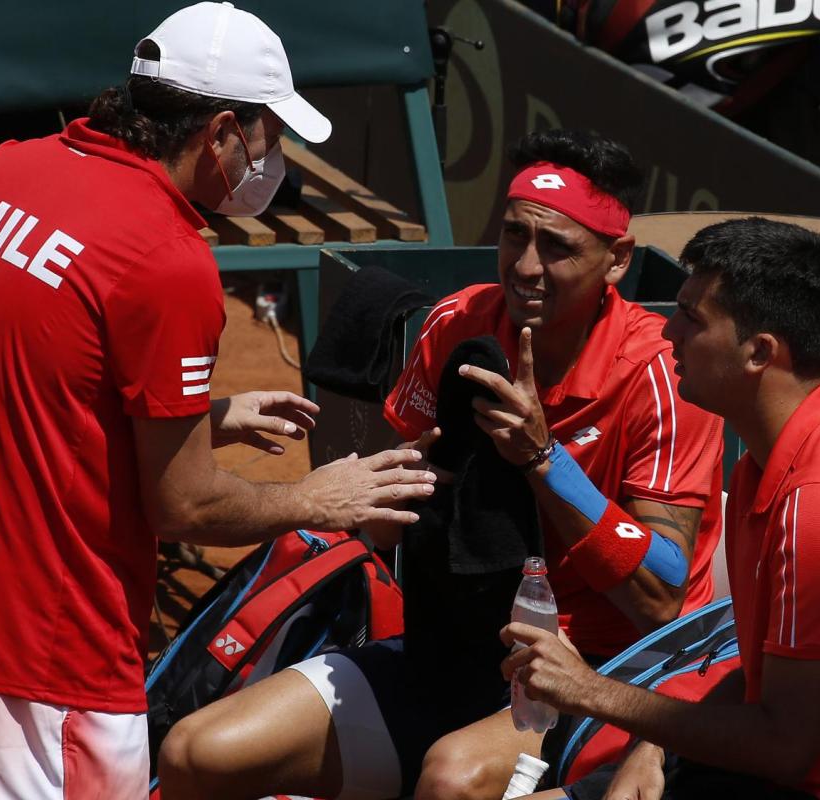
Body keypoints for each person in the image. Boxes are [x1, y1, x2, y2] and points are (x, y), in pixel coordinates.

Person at [0, 3, 435, 796]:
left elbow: (27, 384)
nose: (274, 160)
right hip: (45, 653)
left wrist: (202, 419)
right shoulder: (165, 258)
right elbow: (187, 507)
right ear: (223, 131)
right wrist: (316, 498)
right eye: (271, 135)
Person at [157, 129, 727, 800]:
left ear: (617, 259)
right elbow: (385, 533)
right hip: (459, 650)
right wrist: (403, 494)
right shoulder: (457, 323)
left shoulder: (661, 373)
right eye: (514, 235)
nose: (526, 266)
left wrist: (543, 461)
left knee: (451, 777)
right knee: (195, 753)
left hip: (598, 672)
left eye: (557, 247)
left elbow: (661, 600)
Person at [502, 216, 820, 799]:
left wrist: (591, 692)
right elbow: (762, 683)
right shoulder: (771, 462)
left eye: (692, 318)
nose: (669, 332)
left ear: (759, 352)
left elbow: (786, 747)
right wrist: (654, 743)